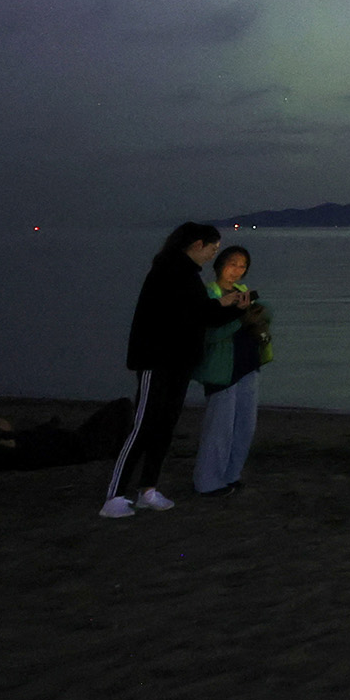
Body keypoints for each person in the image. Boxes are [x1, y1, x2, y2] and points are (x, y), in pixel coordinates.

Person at [101, 222, 250, 519]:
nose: (213, 255)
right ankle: (114, 496)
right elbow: (192, 315)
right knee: (143, 426)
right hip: (157, 361)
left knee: (165, 426)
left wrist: (228, 305)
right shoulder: (170, 271)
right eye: (213, 249)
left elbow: (196, 314)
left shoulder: (187, 275)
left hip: (180, 362)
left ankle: (148, 490)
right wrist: (227, 308)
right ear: (197, 244)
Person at [194, 245, 271, 495]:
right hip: (222, 369)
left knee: (244, 426)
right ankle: (207, 482)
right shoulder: (209, 294)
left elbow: (253, 325)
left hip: (247, 364)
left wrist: (258, 317)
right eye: (232, 264)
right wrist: (240, 318)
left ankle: (231, 475)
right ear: (219, 265)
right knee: (219, 428)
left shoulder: (242, 292)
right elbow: (210, 334)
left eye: (242, 266)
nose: (237, 270)